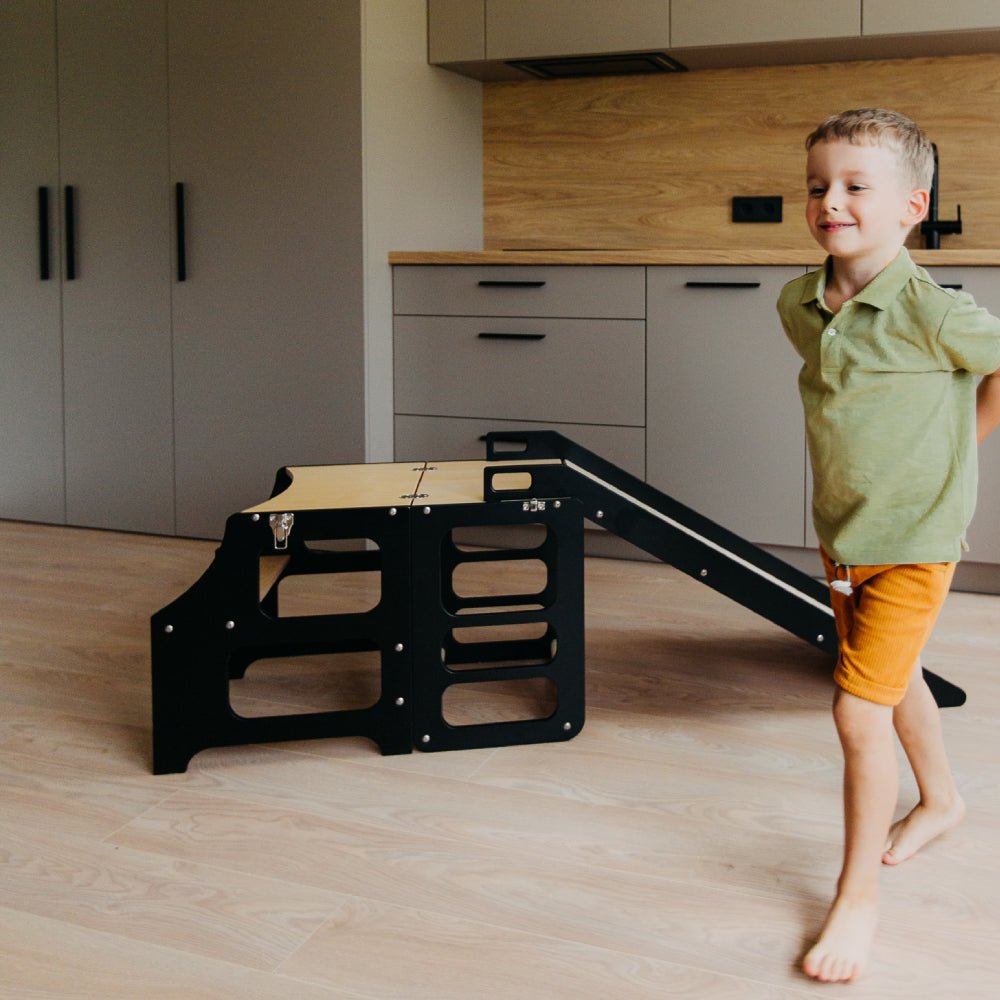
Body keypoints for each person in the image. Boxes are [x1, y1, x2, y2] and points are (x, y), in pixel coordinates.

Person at [776, 108, 1000, 983]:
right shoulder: (798, 301)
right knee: (892, 671)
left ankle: (857, 898)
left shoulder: (935, 313)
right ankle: (941, 801)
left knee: (855, 710)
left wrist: (962, 445)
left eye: (856, 186)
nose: (832, 201)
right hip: (844, 535)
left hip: (916, 541)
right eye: (818, 186)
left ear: (913, 206)